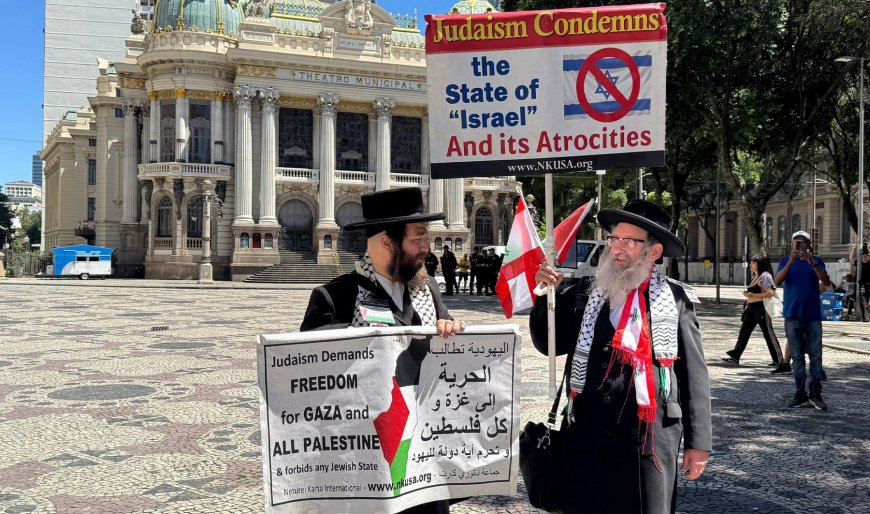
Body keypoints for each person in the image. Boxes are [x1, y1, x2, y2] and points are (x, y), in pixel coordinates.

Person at [529, 200, 712, 514]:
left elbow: (694, 375)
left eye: (630, 241)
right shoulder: (584, 292)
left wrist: (699, 444)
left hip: (647, 442)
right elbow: (549, 344)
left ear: (653, 252)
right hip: (586, 435)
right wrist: (544, 297)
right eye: (614, 238)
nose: (617, 248)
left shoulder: (676, 300)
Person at [300, 187, 465, 514]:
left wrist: (452, 332)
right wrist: (355, 338)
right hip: (365, 464)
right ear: (387, 242)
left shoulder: (427, 290)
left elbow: (449, 347)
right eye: (417, 239)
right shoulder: (336, 297)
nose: (425, 249)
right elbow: (306, 373)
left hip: (423, 458)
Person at [775, 230, 830, 410]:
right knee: (797, 357)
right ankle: (800, 394)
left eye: (803, 243)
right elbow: (777, 282)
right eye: (796, 243)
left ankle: (815, 393)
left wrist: (812, 262)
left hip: (813, 315)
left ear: (809, 245)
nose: (799, 246)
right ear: (791, 245)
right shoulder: (785, 261)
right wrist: (791, 261)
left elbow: (826, 281)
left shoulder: (816, 261)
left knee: (816, 356)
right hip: (792, 316)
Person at [722, 255, 789, 373]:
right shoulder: (755, 276)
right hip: (751, 309)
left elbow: (770, 293)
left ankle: (779, 360)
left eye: (753, 263)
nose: (750, 265)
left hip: (761, 309)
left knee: (769, 334)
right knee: (744, 333)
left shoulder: (765, 276)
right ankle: (735, 357)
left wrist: (753, 295)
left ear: (759, 264)